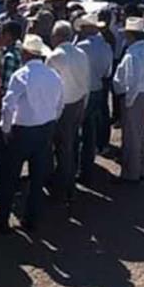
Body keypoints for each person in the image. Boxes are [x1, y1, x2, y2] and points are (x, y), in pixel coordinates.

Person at [0, 34, 64, 233]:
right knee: (37, 177)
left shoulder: (21, 75)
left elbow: (8, 104)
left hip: (22, 131)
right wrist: (52, 120)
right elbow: (60, 103)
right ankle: (32, 218)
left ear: (25, 53)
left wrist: (5, 128)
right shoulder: (53, 75)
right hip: (45, 128)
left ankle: (3, 217)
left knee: (9, 176)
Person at [45, 21, 90, 206]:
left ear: (57, 37)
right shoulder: (81, 53)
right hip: (79, 103)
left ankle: (63, 188)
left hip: (61, 108)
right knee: (70, 146)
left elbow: (49, 88)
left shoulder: (54, 57)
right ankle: (68, 185)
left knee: (61, 149)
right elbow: (86, 82)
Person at [112, 17, 144, 183]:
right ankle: (141, 168)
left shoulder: (133, 54)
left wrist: (129, 100)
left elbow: (133, 80)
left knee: (131, 136)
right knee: (140, 134)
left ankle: (130, 173)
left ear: (131, 34)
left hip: (135, 96)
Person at [74, 15, 113, 180]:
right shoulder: (106, 46)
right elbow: (107, 72)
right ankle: (87, 167)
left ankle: (77, 166)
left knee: (77, 131)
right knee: (91, 131)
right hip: (97, 89)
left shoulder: (81, 48)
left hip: (83, 92)